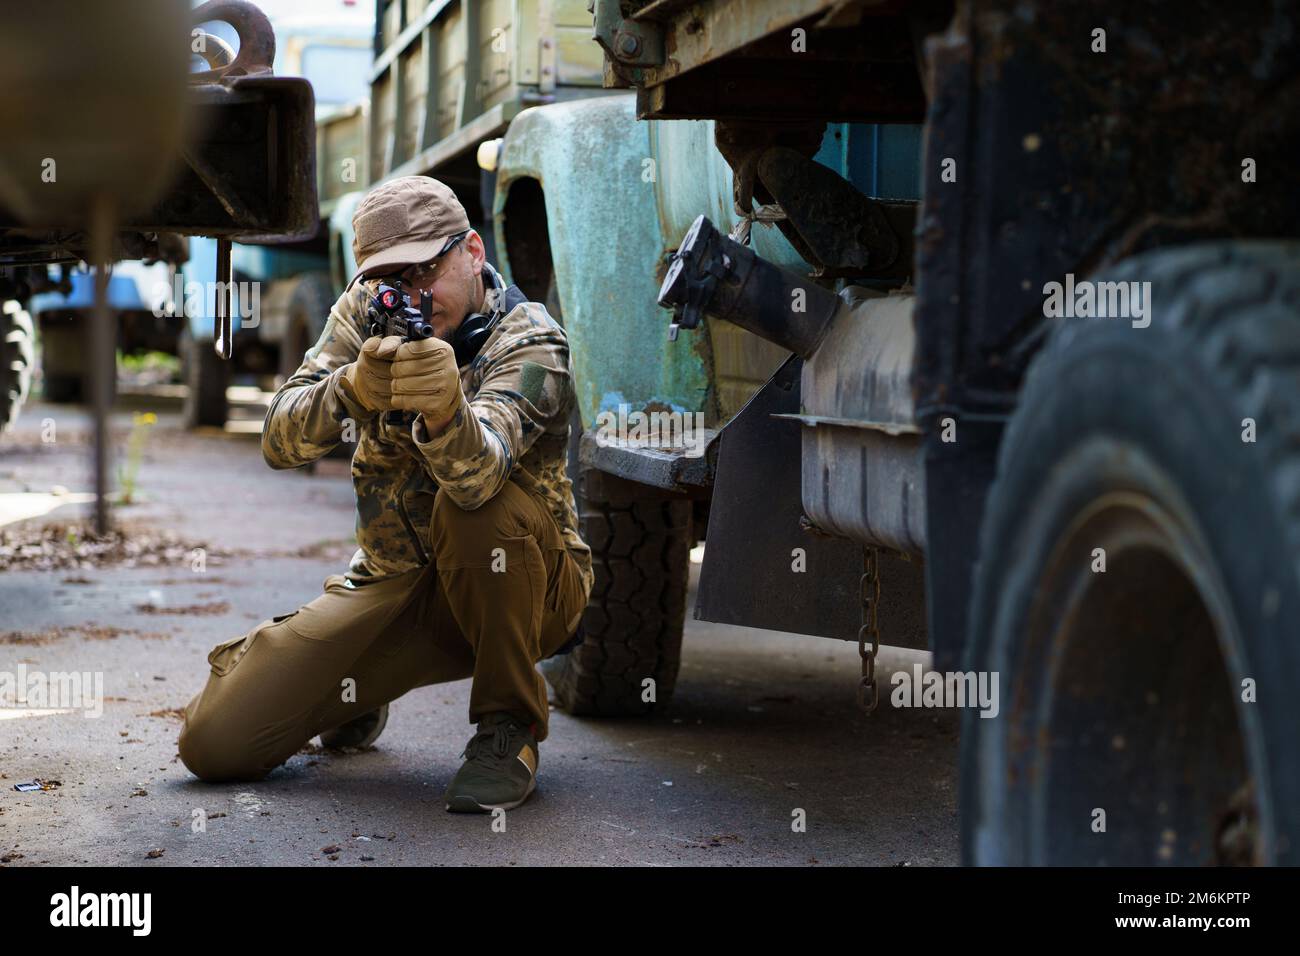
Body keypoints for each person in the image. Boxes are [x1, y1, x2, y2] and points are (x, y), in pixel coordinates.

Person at [177, 175, 593, 812]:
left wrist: (445, 413)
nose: (410, 295)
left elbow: (480, 477)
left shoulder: (530, 340)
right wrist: (351, 389)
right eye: (390, 279)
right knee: (215, 745)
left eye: (426, 270)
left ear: (474, 251)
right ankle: (361, 691)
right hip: (395, 584)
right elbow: (277, 443)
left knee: (473, 510)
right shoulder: (366, 312)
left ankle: (510, 729)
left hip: (525, 588)